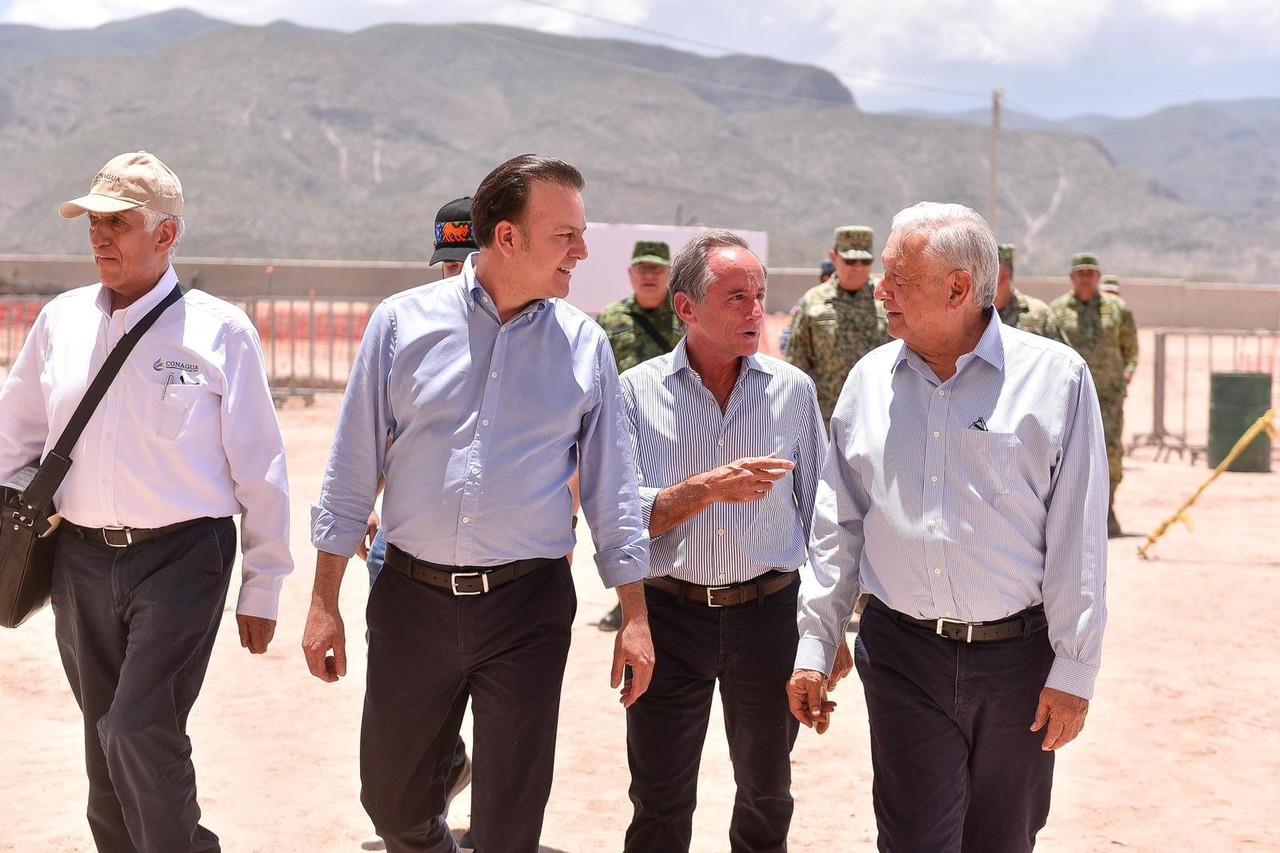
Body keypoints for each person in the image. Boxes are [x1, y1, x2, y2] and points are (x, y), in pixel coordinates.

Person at [303, 154, 654, 853]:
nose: (584, 252)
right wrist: (323, 600)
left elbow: (614, 488)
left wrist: (636, 614)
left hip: (527, 606)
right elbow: (350, 469)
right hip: (410, 597)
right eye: (567, 235)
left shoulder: (584, 345)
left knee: (509, 822)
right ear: (507, 238)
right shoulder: (400, 325)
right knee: (393, 801)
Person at [790, 202, 1108, 852]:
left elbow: (1080, 538)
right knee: (912, 840)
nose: (880, 292)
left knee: (1003, 839)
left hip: (1019, 664)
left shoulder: (1055, 380)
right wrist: (816, 643)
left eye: (897, 278)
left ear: (959, 288)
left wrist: (1074, 668)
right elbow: (838, 524)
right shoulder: (868, 383)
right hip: (903, 654)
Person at [0, 151, 291, 851]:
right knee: (104, 748)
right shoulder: (61, 321)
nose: (100, 236)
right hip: (78, 560)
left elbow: (261, 465)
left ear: (166, 236)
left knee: (138, 727)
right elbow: (15, 436)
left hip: (185, 556)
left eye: (119, 223)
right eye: (93, 222)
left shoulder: (221, 332)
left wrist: (265, 584)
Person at [618, 230, 829, 852]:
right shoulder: (635, 392)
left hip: (768, 617)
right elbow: (621, 520)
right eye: (737, 297)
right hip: (666, 616)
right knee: (659, 797)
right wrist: (701, 491)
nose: (755, 310)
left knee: (767, 793)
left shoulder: (793, 392)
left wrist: (824, 633)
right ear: (686, 308)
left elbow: (820, 519)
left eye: (760, 295)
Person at [357, 196, 479, 851]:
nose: (456, 275)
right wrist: (360, 506)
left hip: (498, 559)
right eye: (449, 261)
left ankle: (467, 804)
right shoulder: (406, 326)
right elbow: (377, 433)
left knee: (483, 681)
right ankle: (439, 775)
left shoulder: (524, 335)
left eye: (469, 259)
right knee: (403, 691)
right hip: (401, 550)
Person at [594, 239, 682, 631]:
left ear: (669, 274)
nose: (650, 276)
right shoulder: (611, 319)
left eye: (658, 269)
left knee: (671, 513)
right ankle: (629, 598)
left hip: (677, 433)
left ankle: (665, 592)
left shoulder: (684, 318)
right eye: (643, 269)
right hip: (622, 434)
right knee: (625, 516)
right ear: (631, 274)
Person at [1050, 253, 1138, 537]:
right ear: (1072, 277)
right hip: (1070, 396)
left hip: (1109, 397)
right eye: (1080, 273)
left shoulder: (1117, 309)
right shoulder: (1058, 311)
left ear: (1099, 277)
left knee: (1111, 453)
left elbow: (1130, 348)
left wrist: (1126, 373)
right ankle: (1072, 517)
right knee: (1068, 453)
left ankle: (1107, 510)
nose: (1086, 278)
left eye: (1091, 272)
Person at [785, 226, 891, 423]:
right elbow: (797, 363)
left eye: (865, 261)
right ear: (834, 257)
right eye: (850, 260)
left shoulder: (887, 299)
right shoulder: (813, 302)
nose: (858, 267)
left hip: (878, 415)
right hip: (827, 417)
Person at [995, 243, 1068, 343]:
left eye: (1003, 271)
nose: (1000, 275)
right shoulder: (973, 314)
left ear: (1007, 275)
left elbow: (1061, 352)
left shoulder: (1038, 312)